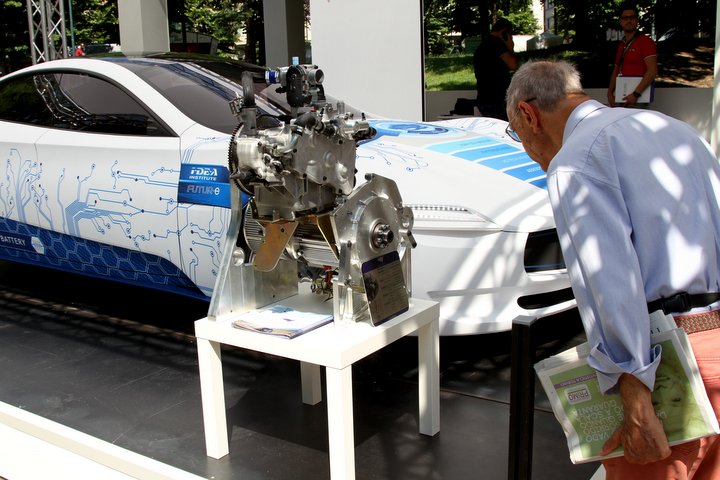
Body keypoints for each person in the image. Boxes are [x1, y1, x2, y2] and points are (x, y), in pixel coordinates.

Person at [505, 59, 720, 479]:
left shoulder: (575, 163)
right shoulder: (676, 131)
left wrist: (634, 393)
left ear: (529, 116)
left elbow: (611, 285)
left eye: (518, 133)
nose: (526, 148)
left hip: (667, 363)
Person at [607, 3, 657, 107]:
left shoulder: (646, 42)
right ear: (620, 21)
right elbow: (616, 69)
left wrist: (636, 94)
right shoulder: (622, 44)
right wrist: (610, 92)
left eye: (632, 17)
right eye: (625, 18)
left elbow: (652, 71)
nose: (628, 20)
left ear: (637, 20)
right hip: (621, 95)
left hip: (638, 98)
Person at [473, 18, 518, 120]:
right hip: (497, 100)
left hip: (484, 98)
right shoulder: (497, 44)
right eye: (510, 35)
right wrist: (510, 47)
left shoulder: (483, 45)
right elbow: (513, 65)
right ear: (504, 32)